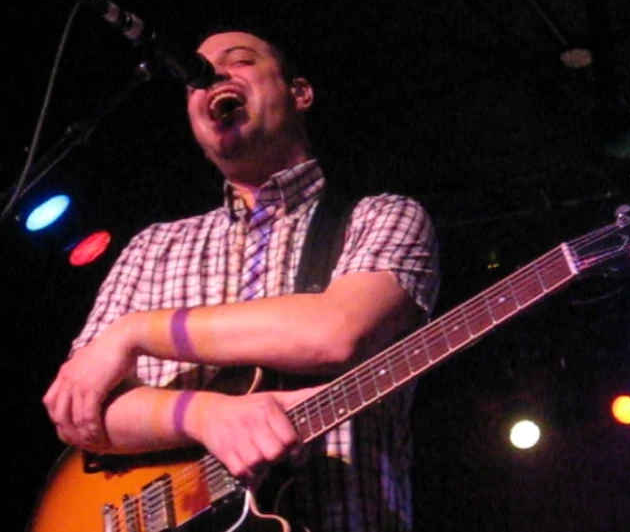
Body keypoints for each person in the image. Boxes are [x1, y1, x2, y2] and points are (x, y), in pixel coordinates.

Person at [42, 27, 440, 532]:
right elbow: (80, 409)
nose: (211, 77)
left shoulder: (383, 217)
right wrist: (205, 416)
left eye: (241, 61)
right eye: (195, 76)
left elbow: (335, 332)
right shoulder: (152, 247)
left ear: (299, 92)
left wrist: (134, 331)